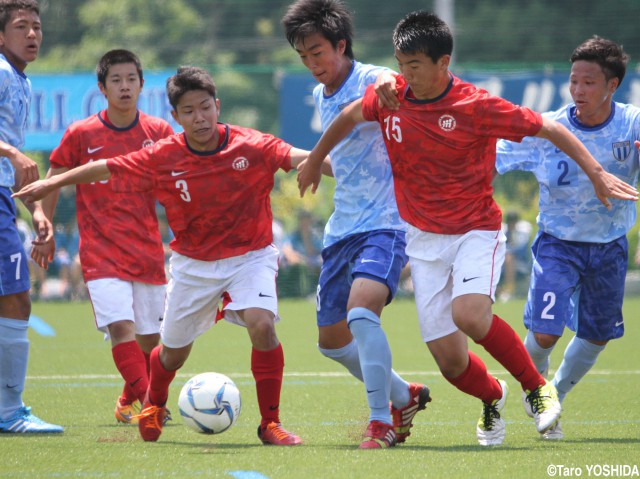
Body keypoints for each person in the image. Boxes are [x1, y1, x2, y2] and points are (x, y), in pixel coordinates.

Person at [297, 11, 638, 446]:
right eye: (400, 65)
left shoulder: (475, 104)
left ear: (443, 63)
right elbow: (346, 117)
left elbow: (548, 126)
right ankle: (492, 398)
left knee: (469, 314)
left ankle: (537, 388)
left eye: (414, 66)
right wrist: (313, 158)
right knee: (449, 360)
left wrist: (594, 172)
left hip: (475, 230)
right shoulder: (392, 97)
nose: (405, 75)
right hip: (422, 239)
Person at [14, 65, 330, 445]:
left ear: (217, 105)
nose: (199, 117)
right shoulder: (163, 155)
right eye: (189, 111)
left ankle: (270, 424)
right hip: (193, 265)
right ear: (176, 117)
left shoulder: (251, 144)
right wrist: (53, 181)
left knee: (262, 324)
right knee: (172, 355)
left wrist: (337, 167)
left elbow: (302, 157)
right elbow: (104, 168)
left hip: (251, 255)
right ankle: (153, 402)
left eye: (205, 107)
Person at [282, 0, 430, 449]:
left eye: (318, 53)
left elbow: (390, 79)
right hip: (342, 226)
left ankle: (380, 423)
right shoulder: (318, 95)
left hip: (387, 222)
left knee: (363, 315)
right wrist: (315, 166)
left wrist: (387, 77)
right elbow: (346, 162)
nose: (312, 64)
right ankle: (403, 395)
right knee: (331, 342)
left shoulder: (369, 78)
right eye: (303, 56)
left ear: (341, 45)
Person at [495, 36, 640, 440]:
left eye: (589, 82)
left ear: (612, 86)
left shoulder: (632, 125)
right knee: (545, 333)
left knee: (597, 334)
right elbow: (492, 155)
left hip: (610, 246)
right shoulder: (548, 128)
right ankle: (534, 384)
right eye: (574, 81)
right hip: (558, 244)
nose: (578, 90)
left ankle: (551, 397)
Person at [32, 49, 174, 425]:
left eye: (131, 79)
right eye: (116, 80)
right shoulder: (81, 133)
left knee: (150, 340)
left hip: (146, 250)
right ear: (102, 88)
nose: (124, 86)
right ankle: (152, 406)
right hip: (99, 252)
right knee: (120, 328)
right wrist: (43, 225)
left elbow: (177, 182)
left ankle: (129, 397)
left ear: (142, 85)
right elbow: (54, 178)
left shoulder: (158, 132)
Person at [0, 0, 63, 434]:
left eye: (37, 26)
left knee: (15, 297)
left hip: (5, 197)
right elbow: (11, 155)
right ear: (1, 36)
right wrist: (10, 150)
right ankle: (9, 411)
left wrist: (37, 209)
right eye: (21, 26)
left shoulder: (20, 80)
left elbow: (15, 166)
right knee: (17, 298)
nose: (32, 34)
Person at [498, 211, 532, 302]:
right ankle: (499, 291)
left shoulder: (522, 232)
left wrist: (508, 251)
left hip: (520, 262)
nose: (511, 224)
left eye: (513, 221)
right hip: (502, 262)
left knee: (509, 257)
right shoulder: (502, 231)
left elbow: (522, 249)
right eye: (510, 221)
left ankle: (510, 289)